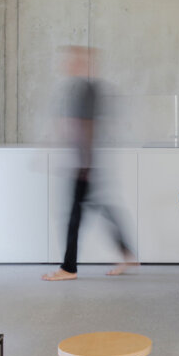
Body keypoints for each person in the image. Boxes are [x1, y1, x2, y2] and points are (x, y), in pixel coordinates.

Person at [43, 45, 136, 282]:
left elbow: (86, 126)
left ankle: (69, 267)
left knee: (75, 216)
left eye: (73, 61)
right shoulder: (84, 87)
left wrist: (84, 162)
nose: (67, 65)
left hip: (85, 163)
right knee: (97, 207)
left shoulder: (86, 88)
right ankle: (126, 252)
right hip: (85, 162)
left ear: (83, 64)